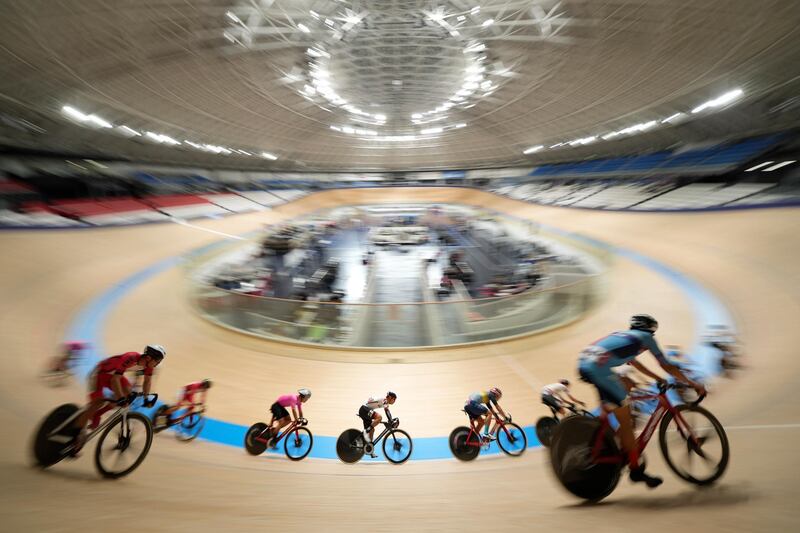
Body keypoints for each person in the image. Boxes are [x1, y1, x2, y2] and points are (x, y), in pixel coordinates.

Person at [578, 314, 705, 488]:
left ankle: (607, 443)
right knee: (626, 419)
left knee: (615, 408)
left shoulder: (625, 336)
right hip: (599, 370)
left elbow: (634, 363)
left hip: (586, 364)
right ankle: (636, 470)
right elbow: (666, 365)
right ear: (652, 329)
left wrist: (658, 379)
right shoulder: (646, 338)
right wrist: (692, 383)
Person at [73, 345, 165, 452]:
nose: (158, 363)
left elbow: (147, 381)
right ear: (149, 358)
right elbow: (115, 379)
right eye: (157, 361)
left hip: (114, 376)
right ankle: (74, 435)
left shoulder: (149, 366)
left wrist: (146, 398)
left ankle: (98, 414)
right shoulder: (131, 357)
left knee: (128, 396)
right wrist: (120, 397)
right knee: (98, 402)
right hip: (100, 373)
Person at [358, 391, 397, 457]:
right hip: (364, 409)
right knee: (379, 417)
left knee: (372, 430)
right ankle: (366, 431)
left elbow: (388, 413)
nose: (394, 401)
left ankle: (370, 449)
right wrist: (391, 420)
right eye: (394, 399)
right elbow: (387, 411)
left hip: (365, 410)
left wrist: (391, 420)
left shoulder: (385, 402)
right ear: (390, 398)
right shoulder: (385, 400)